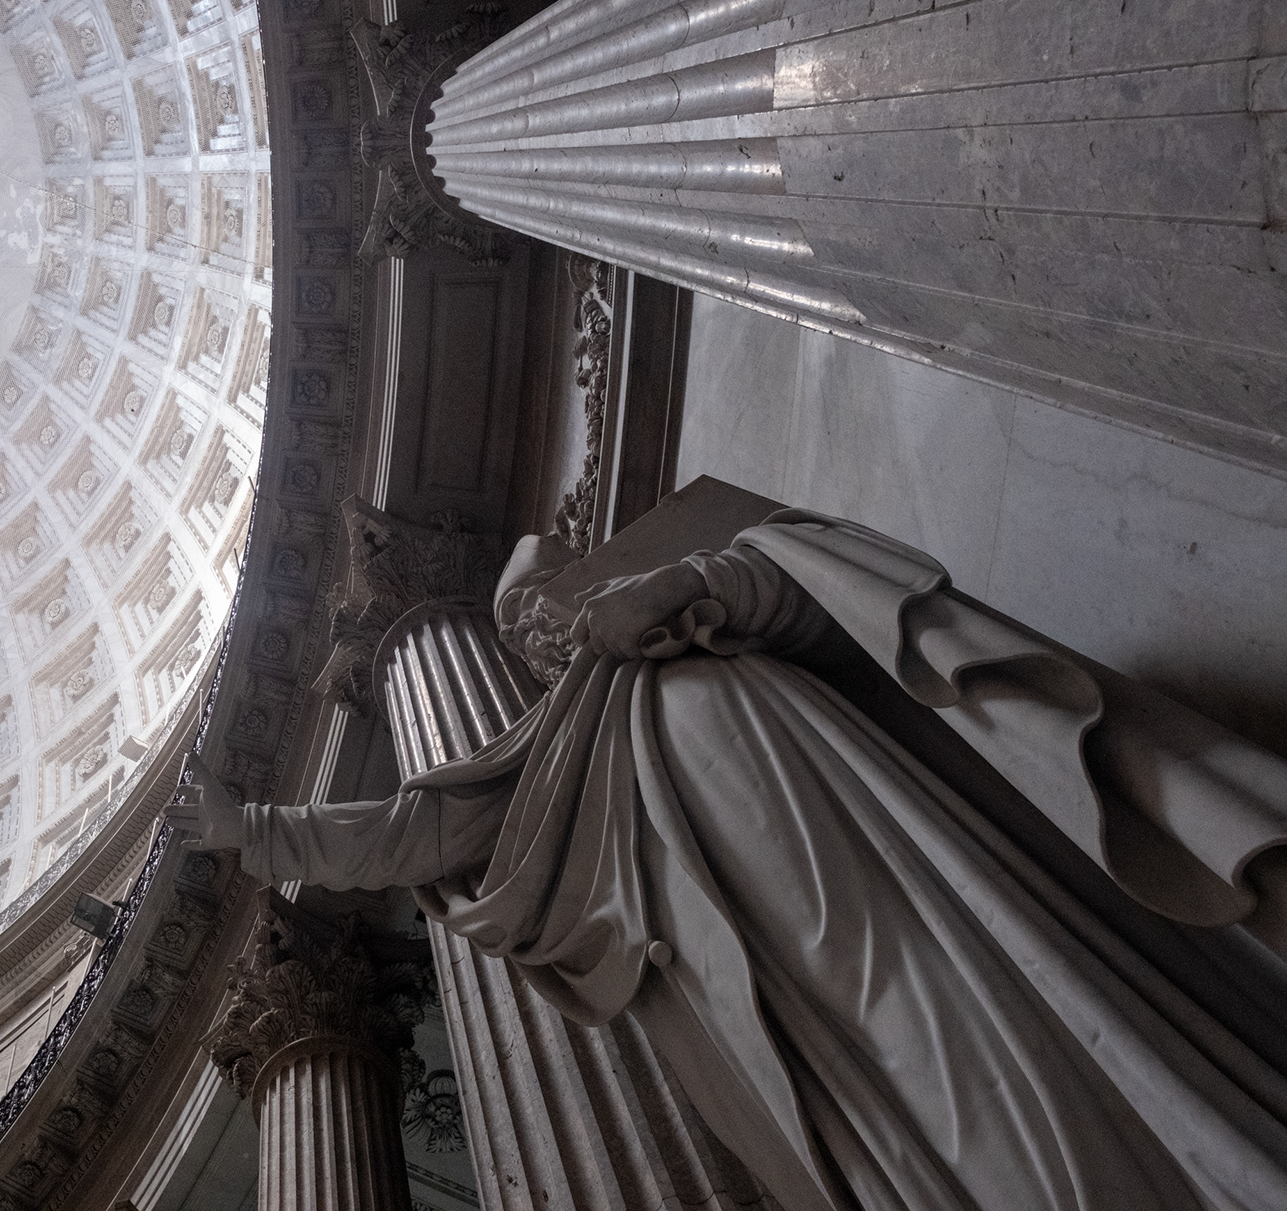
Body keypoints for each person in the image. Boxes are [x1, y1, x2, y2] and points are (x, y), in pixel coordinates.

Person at [168, 510, 1287, 1211]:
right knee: (904, 1062)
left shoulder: (695, 612)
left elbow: (825, 599)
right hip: (749, 920)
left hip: (854, 814)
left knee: (992, 995)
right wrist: (258, 829)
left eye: (546, 605)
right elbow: (412, 830)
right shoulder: (551, 747)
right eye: (530, 630)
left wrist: (689, 592)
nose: (548, 631)